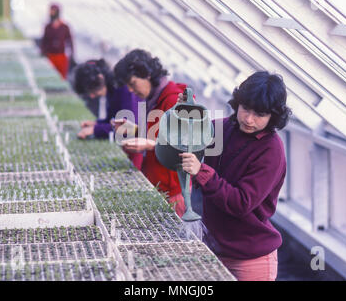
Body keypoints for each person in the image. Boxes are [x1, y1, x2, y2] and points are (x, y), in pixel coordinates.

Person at [179, 71, 291, 281]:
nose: (249, 119)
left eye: (259, 114)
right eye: (245, 109)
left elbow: (242, 202)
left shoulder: (271, 149)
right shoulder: (221, 128)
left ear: (273, 116)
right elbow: (183, 136)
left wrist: (202, 172)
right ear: (237, 103)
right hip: (214, 250)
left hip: (250, 259)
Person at [114, 49, 187, 217]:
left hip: (173, 194)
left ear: (147, 74)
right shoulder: (155, 98)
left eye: (133, 83)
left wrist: (149, 145)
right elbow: (161, 135)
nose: (131, 90)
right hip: (157, 185)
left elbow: (184, 148)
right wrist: (134, 130)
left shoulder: (173, 100)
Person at [73, 59, 143, 170]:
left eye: (92, 90)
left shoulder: (124, 88)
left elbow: (127, 127)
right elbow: (114, 118)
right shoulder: (112, 89)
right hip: (129, 145)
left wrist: (96, 130)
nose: (92, 96)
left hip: (139, 147)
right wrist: (97, 123)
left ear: (100, 78)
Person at [40, 3, 74, 80]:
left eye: (53, 11)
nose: (51, 13)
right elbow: (44, 41)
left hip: (61, 56)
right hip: (50, 56)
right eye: (50, 11)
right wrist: (43, 52)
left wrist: (72, 54)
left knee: (62, 77)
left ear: (58, 12)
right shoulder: (48, 27)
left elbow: (70, 41)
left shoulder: (64, 27)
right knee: (50, 77)